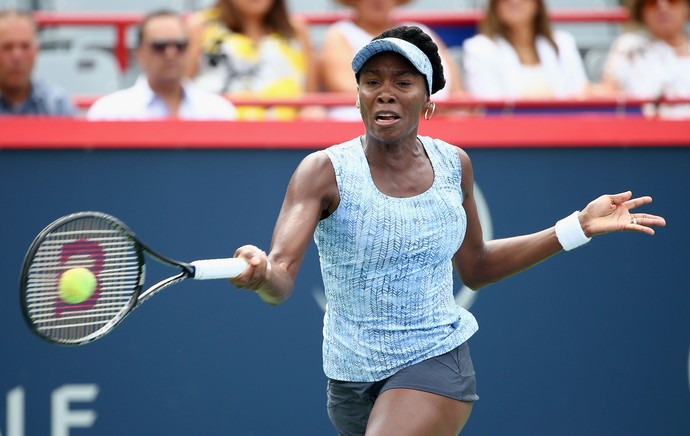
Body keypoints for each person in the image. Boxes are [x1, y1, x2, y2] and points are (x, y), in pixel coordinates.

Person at [227, 25, 666, 435]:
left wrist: (578, 227)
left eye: (403, 83)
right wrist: (262, 272)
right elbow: (280, 278)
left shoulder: (455, 164)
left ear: (428, 103)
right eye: (372, 82)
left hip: (436, 361)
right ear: (358, 97)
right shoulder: (322, 171)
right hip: (348, 381)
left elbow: (476, 265)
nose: (385, 94)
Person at [318, 0, 466, 120]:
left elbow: (456, 89)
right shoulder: (339, 34)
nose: (378, 1)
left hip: (439, 123)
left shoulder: (420, 31)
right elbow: (344, 86)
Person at [185, 0, 323, 121]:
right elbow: (182, 88)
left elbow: (310, 98)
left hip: (286, 138)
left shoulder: (296, 30)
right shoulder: (201, 26)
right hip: (214, 135)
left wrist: (312, 111)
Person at [87, 10, 236, 121]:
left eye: (180, 45)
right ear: (139, 54)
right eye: (159, 46)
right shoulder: (110, 112)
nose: (171, 53)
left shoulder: (218, 111)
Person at [462, 0, 593, 100]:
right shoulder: (478, 48)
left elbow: (580, 93)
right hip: (508, 132)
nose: (514, 1)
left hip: (566, 130)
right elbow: (489, 104)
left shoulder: (563, 42)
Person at [600, 0, 690, 119]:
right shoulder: (628, 47)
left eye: (672, 1)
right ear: (641, 11)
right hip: (642, 132)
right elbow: (606, 94)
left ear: (686, 8)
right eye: (652, 2)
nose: (663, 7)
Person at [0, 9, 74, 116]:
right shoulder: (55, 105)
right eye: (7, 47)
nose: (17, 56)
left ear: (36, 50)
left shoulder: (57, 104)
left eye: (25, 46)